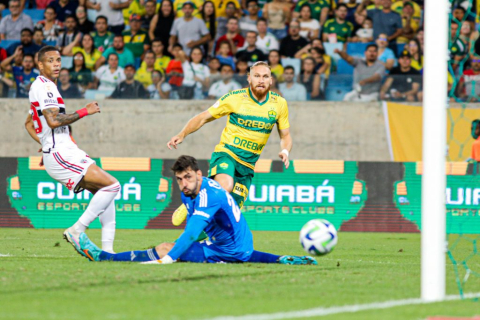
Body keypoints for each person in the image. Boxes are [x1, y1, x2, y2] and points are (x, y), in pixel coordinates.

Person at [76, 155, 317, 265]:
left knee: (164, 248)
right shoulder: (189, 191)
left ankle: (103, 257)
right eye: (180, 179)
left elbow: (192, 233)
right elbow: (200, 233)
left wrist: (169, 258)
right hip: (233, 247)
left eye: (188, 177)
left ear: (199, 174)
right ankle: (278, 259)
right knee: (174, 246)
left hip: (229, 250)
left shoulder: (209, 194)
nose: (184, 184)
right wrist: (277, 259)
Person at [168, 61, 291, 228]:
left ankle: (198, 237)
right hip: (227, 153)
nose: (261, 80)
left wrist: (285, 150)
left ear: (271, 80)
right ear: (249, 78)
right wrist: (182, 134)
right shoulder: (235, 98)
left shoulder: (279, 104)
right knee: (225, 186)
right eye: (257, 76)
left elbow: (286, 135)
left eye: (265, 76)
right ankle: (193, 199)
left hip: (248, 165)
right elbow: (204, 117)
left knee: (225, 220)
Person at [25, 46, 120, 255]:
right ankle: (77, 230)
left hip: (60, 149)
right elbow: (52, 120)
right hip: (61, 152)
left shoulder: (45, 87)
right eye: (50, 61)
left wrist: (44, 145)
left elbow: (30, 124)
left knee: (105, 190)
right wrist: (86, 111)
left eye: (58, 60)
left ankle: (109, 251)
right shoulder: (44, 86)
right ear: (40, 65)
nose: (56, 64)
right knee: (113, 186)